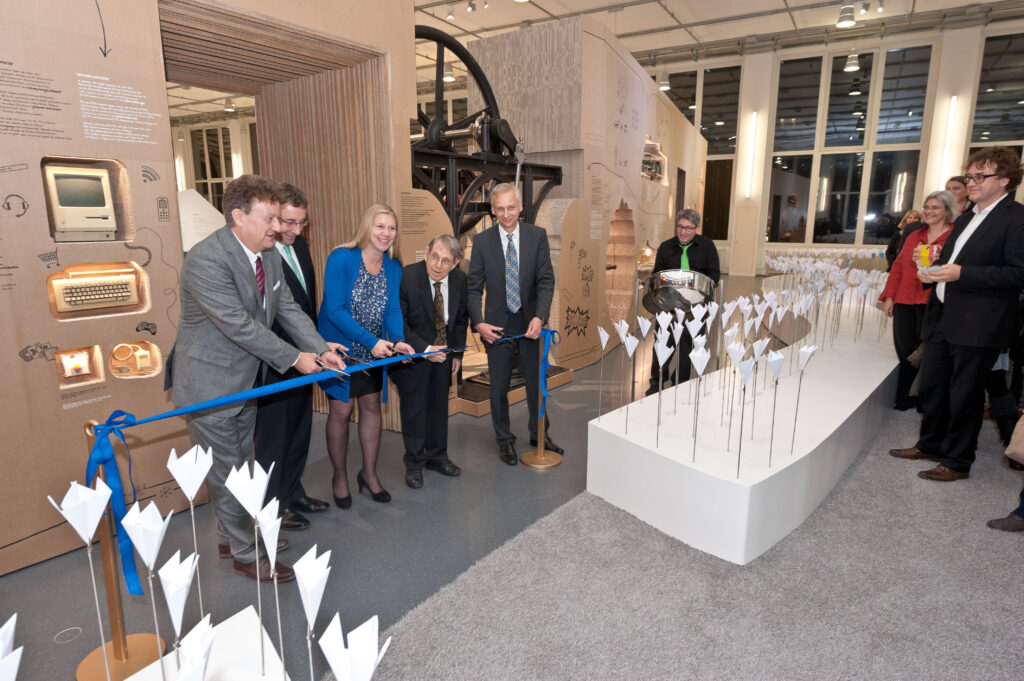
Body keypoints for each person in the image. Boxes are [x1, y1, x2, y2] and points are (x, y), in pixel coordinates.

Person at [169, 174, 345, 583]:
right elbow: (238, 325)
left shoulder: (268, 255)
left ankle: (230, 538)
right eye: (270, 218)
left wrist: (320, 349)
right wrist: (295, 358)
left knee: (236, 467)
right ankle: (247, 554)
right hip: (208, 385)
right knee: (228, 469)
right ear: (238, 216)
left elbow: (288, 311)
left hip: (245, 380)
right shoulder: (206, 259)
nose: (277, 227)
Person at [889, 146, 1024, 482]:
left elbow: (1018, 273)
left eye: (981, 176)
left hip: (979, 322)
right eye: (970, 176)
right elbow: (948, 262)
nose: (972, 182)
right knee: (932, 387)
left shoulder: (1016, 218)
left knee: (964, 394)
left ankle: (957, 461)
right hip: (942, 316)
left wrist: (962, 273)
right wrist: (930, 269)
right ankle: (931, 444)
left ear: (1005, 180)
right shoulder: (965, 217)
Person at [318, 204, 414, 506]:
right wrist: (371, 341)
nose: (386, 233)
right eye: (380, 226)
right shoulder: (342, 258)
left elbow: (393, 310)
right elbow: (335, 310)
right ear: (367, 227)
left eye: (391, 228)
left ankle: (369, 474)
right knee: (342, 411)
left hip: (374, 350)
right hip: (341, 348)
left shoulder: (393, 266)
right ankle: (339, 476)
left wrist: (397, 340)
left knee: (371, 406)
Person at [468, 183, 561, 466]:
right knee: (498, 387)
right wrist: (479, 324)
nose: (506, 214)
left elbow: (546, 281)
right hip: (496, 327)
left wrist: (540, 316)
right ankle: (504, 440)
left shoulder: (537, 236)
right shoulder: (482, 242)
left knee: (536, 383)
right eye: (500, 208)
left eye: (511, 207)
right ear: (492, 210)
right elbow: (473, 289)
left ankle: (539, 433)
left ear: (521, 207)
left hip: (531, 323)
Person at [253, 183, 328, 532]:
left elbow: (303, 306)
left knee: (299, 430)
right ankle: (272, 507)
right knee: (273, 439)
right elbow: (262, 318)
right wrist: (297, 351)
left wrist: (319, 345)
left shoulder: (299, 244)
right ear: (273, 217)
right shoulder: (262, 253)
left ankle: (293, 492)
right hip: (274, 361)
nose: (296, 230)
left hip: (305, 357)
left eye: (302, 223)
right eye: (289, 222)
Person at [391, 234, 468, 488]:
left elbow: (460, 319)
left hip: (444, 355)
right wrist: (424, 350)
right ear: (426, 252)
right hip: (414, 356)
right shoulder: (408, 276)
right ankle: (414, 463)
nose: (437, 265)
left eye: (445, 261)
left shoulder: (460, 280)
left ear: (455, 263)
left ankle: (438, 457)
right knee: (414, 410)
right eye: (434, 257)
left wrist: (457, 354)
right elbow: (399, 322)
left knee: (439, 408)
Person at [878, 192, 954, 411]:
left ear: (947, 211)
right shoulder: (913, 236)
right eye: (926, 207)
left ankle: (924, 397)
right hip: (905, 299)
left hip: (933, 302)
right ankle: (905, 397)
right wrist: (890, 297)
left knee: (928, 352)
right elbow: (897, 268)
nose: (928, 211)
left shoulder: (954, 237)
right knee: (905, 350)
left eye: (935, 207)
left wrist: (937, 261)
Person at [646, 209, 721, 396]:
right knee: (662, 344)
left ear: (696, 228)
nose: (683, 232)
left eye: (688, 228)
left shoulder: (707, 246)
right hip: (669, 305)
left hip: (696, 307)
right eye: (680, 227)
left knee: (688, 347)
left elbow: (714, 275)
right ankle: (656, 383)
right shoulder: (665, 247)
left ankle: (680, 383)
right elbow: (657, 273)